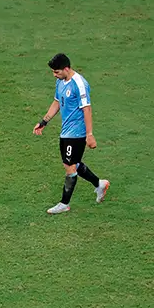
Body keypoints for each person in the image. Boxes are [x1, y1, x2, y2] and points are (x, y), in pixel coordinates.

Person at [32, 53, 110, 214]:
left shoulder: (79, 84)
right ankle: (99, 184)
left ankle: (64, 204)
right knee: (72, 163)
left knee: (70, 167)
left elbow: (87, 108)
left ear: (66, 68)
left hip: (77, 133)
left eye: (57, 72)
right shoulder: (60, 82)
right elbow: (57, 102)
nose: (54, 75)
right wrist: (44, 121)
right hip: (65, 131)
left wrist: (89, 134)